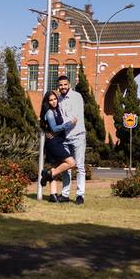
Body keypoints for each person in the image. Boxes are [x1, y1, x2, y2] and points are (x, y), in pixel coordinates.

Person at [39, 90, 77, 202]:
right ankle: (48, 174)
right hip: (54, 143)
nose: (54, 101)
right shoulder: (50, 113)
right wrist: (70, 124)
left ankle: (53, 195)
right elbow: (55, 128)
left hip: (57, 141)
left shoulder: (56, 111)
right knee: (71, 163)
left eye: (55, 99)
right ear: (47, 102)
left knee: (55, 166)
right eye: (51, 100)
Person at [56, 74, 87, 205]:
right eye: (60, 85)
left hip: (78, 136)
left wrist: (59, 127)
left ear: (69, 84)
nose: (63, 87)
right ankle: (65, 194)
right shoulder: (58, 100)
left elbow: (74, 119)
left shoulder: (77, 97)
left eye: (65, 84)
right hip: (64, 138)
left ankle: (80, 195)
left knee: (79, 166)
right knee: (66, 167)